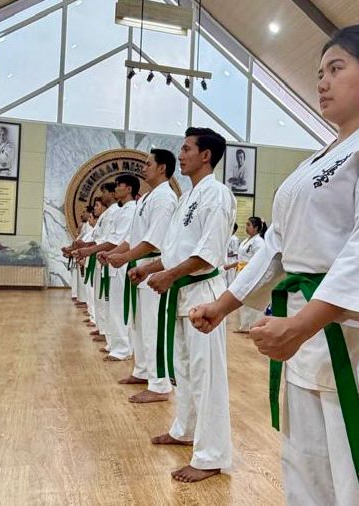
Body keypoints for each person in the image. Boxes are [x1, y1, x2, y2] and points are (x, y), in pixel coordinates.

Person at [190, 26, 359, 504]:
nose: (321, 82)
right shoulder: (314, 163)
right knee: (307, 473)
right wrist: (225, 304)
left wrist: (301, 325)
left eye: (336, 69)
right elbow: (277, 245)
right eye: (320, 72)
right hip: (308, 336)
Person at [127, 127, 235, 483]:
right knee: (185, 370)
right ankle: (185, 429)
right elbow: (176, 250)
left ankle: (211, 455)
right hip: (181, 293)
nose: (181, 154)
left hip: (203, 294)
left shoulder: (217, 195)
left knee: (207, 376)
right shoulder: (187, 196)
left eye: (187, 149)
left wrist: (170, 275)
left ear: (206, 155)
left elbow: (208, 253)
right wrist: (150, 268)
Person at [105, 149, 179, 403]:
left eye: (148, 164)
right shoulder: (147, 197)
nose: (143, 168)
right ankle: (143, 370)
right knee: (139, 325)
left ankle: (160, 385)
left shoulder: (165, 198)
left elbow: (153, 240)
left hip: (154, 267)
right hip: (139, 265)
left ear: (162, 168)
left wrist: (125, 257)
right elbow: (134, 237)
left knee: (153, 327)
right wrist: (116, 253)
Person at [96, 175, 139, 362]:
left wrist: (110, 253)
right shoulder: (122, 210)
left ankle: (122, 348)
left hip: (122, 261)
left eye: (119, 185)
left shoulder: (131, 210)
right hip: (115, 259)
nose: (116, 189)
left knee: (119, 306)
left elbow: (120, 241)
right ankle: (116, 344)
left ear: (129, 189)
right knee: (112, 305)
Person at [76, 184, 118, 346]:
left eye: (105, 192)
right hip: (102, 257)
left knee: (108, 301)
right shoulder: (106, 215)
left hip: (112, 258)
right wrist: (82, 248)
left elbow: (111, 240)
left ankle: (113, 339)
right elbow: (97, 240)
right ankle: (103, 330)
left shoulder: (117, 211)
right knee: (99, 298)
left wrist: (88, 249)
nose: (95, 208)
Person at [225, 216, 268, 333]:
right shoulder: (246, 241)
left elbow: (259, 260)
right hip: (241, 271)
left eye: (249, 225)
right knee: (242, 300)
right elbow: (240, 259)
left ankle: (255, 326)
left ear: (256, 228)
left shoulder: (259, 242)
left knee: (251, 300)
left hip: (252, 273)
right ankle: (245, 326)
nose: (246, 227)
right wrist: (230, 266)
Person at [223, 224, 240, 288]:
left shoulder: (234, 239)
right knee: (225, 277)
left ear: (234, 230)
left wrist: (226, 254)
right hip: (227, 260)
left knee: (231, 278)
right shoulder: (228, 238)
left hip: (232, 260)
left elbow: (235, 252)